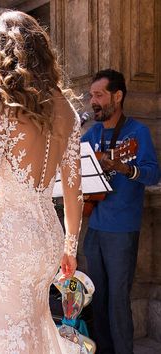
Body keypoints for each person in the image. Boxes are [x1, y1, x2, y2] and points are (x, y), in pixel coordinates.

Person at [0, 10, 83, 354]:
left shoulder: (0, 105)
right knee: (36, 324)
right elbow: (74, 192)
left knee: (6, 330)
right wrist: (70, 249)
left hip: (10, 236)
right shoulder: (68, 111)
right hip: (48, 234)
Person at [81, 69, 160, 354]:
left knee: (117, 301)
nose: (94, 101)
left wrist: (125, 168)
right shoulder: (91, 134)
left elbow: (153, 174)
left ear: (118, 96)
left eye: (99, 95)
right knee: (97, 299)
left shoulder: (137, 132)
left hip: (122, 229)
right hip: (95, 228)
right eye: (92, 95)